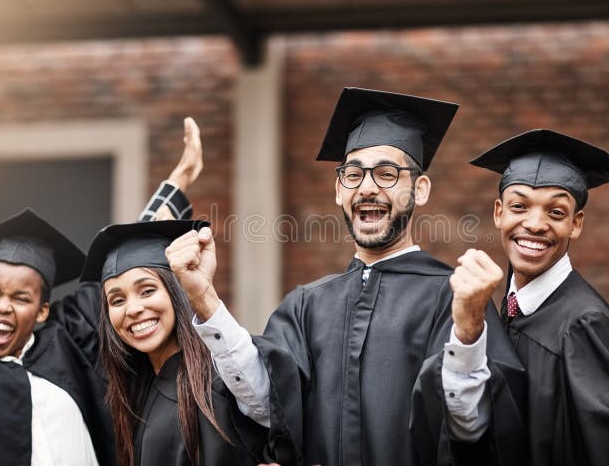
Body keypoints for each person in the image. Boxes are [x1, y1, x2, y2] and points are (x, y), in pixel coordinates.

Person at [165, 87, 526, 466]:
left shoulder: (453, 299)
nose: (367, 187)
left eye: (387, 174)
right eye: (353, 174)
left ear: (420, 190)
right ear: (339, 190)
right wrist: (204, 298)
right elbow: (267, 407)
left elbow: (472, 431)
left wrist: (467, 331)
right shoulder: (307, 305)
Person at [0, 117, 204, 466]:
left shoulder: (65, 338)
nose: (3, 306)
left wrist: (179, 179)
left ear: (42, 311)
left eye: (21, 298)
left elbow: (127, 265)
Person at [468, 129, 609, 465]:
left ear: (576, 223)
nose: (535, 223)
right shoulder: (512, 305)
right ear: (499, 213)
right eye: (519, 206)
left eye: (556, 212)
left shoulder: (583, 323)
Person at [80, 220, 262, 466]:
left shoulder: (218, 388)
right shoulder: (132, 391)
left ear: (175, 292)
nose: (133, 309)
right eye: (117, 300)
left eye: (147, 291)